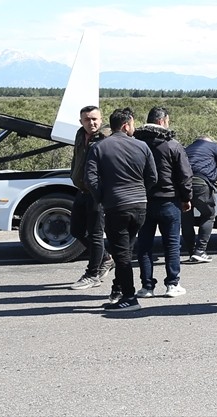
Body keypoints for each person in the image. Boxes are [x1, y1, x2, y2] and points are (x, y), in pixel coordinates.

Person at [85, 107, 157, 312]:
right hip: (139, 206)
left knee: (121, 254)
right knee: (125, 250)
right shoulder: (142, 146)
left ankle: (129, 298)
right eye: (132, 124)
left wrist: (102, 198)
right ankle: (118, 291)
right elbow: (153, 177)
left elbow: (90, 178)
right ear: (126, 125)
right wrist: (140, 192)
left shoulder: (99, 147)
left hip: (116, 206)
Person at [133, 106, 193, 299]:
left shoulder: (136, 143)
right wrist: (186, 198)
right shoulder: (172, 145)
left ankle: (147, 287)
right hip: (169, 201)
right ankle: (172, 284)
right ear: (162, 121)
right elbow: (184, 175)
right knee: (172, 244)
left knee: (144, 245)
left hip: (143, 201)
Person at [68, 105, 114, 290]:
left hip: (98, 193)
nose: (91, 122)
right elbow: (76, 158)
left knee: (95, 234)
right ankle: (106, 258)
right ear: (81, 121)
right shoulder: (80, 135)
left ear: (101, 120)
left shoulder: (105, 139)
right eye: (87, 119)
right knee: (76, 230)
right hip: (82, 190)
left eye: (95, 119)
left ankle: (92, 274)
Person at [181, 135, 217, 263]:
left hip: (184, 185)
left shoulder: (187, 149)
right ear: (209, 140)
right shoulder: (212, 146)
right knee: (208, 214)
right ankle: (200, 251)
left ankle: (191, 252)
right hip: (201, 183)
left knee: (186, 219)